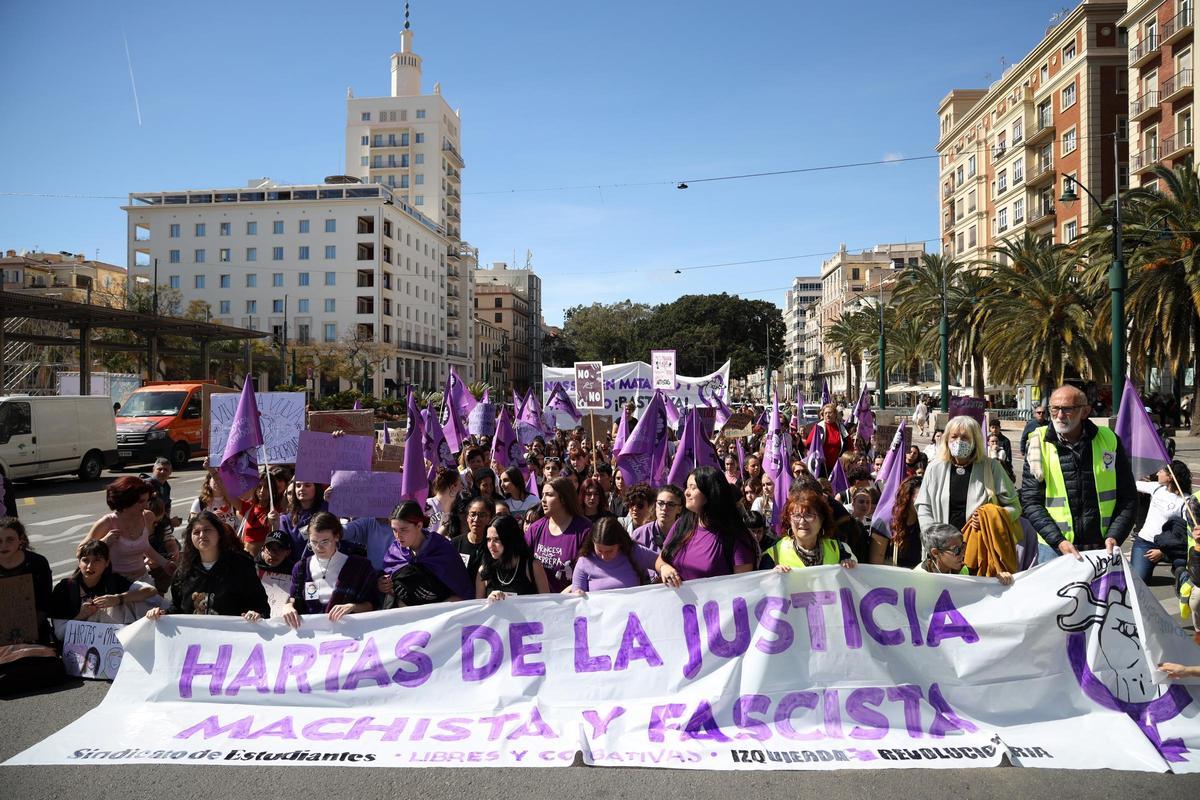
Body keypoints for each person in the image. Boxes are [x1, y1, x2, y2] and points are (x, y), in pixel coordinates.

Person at [1019, 385, 1137, 560]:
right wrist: (1058, 541)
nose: (1059, 415)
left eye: (1067, 409)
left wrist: (1115, 536)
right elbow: (1030, 501)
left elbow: (1128, 496)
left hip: (1102, 548)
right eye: (1054, 409)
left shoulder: (1109, 440)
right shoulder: (1038, 442)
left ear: (1085, 411)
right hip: (1054, 549)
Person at [146, 512, 270, 620]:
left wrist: (256, 614)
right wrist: (161, 614)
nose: (201, 535)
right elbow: (177, 609)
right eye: (196, 532)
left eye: (207, 530)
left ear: (219, 534)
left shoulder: (241, 566)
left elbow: (260, 604)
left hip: (231, 643)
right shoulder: (183, 571)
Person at [916, 415, 1020, 533]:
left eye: (965, 437)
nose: (959, 442)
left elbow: (1015, 507)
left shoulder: (992, 467)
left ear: (975, 441)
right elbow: (924, 507)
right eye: (954, 437)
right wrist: (932, 536)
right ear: (946, 440)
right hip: (942, 546)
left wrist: (991, 518)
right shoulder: (934, 467)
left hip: (979, 545)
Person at [656, 466, 757, 586]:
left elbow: (744, 588)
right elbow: (660, 560)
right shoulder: (682, 524)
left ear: (710, 493)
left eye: (693, 488)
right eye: (687, 487)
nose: (686, 492)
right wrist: (664, 567)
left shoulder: (735, 538)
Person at [281, 512, 378, 628]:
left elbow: (372, 605)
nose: (318, 548)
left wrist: (353, 607)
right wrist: (287, 607)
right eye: (314, 542)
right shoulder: (300, 568)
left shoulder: (359, 566)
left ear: (337, 537)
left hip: (350, 636)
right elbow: (294, 600)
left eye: (325, 542)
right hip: (312, 637)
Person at [49, 539, 157, 639]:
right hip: (80, 647)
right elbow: (60, 634)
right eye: (85, 560)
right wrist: (81, 615)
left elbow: (151, 591)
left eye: (97, 561)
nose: (90, 566)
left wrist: (117, 599)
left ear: (106, 563)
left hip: (112, 643)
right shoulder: (65, 588)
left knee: (134, 602)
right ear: (79, 562)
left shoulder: (113, 581)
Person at [83, 476, 173, 583]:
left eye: (147, 500)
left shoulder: (148, 517)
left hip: (143, 580)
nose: (145, 505)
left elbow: (144, 546)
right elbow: (81, 551)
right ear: (126, 501)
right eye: (141, 501)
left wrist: (165, 563)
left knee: (160, 600)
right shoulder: (107, 522)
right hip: (115, 584)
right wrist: (103, 543)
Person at [383, 500, 474, 604]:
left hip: (440, 614)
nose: (398, 536)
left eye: (404, 530)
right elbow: (391, 588)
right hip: (406, 615)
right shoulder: (395, 551)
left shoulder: (442, 549)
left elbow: (462, 592)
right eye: (394, 530)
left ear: (419, 526)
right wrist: (383, 585)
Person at [1131, 461, 1195, 583]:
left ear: (1170, 477)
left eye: (1161, 471)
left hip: (1170, 546)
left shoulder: (1185, 501)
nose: (1158, 473)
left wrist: (1163, 552)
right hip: (1145, 542)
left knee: (1183, 562)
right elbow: (1132, 483)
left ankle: (1178, 569)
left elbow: (1186, 535)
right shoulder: (1157, 488)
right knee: (1139, 580)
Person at [760, 489, 856, 570]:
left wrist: (850, 567)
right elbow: (763, 589)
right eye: (797, 516)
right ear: (789, 521)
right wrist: (772, 577)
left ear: (822, 520)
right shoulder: (773, 555)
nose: (802, 521)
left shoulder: (839, 550)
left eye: (809, 515)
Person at [525, 477, 592, 593]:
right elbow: (522, 563)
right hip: (538, 603)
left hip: (571, 602)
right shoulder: (535, 529)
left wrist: (565, 595)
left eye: (549, 495)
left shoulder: (585, 530)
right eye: (542, 495)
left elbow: (590, 571)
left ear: (564, 499)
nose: (543, 500)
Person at [570, 517, 659, 593]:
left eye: (609, 551)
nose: (603, 556)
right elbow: (577, 594)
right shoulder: (584, 562)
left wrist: (664, 568)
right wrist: (578, 593)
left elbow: (660, 562)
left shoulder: (633, 552)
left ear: (620, 544)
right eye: (599, 550)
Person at [0, 517, 54, 642]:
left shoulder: (37, 563)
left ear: (21, 540)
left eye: (10, 540)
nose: (3, 545)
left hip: (34, 630)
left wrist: (27, 631)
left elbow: (44, 603)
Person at [477, 515, 549, 600]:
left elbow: (547, 603)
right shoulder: (484, 570)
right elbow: (479, 607)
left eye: (497, 539)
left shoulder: (532, 566)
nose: (491, 545)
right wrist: (488, 601)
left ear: (510, 539)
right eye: (488, 539)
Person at [916, 522, 1013, 584]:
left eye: (963, 547)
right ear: (936, 553)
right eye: (956, 550)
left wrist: (998, 580)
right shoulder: (919, 579)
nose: (962, 554)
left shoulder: (963, 570)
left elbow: (981, 588)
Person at [869, 477, 923, 568]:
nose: (924, 501)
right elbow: (876, 563)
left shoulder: (926, 521)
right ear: (907, 497)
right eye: (920, 497)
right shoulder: (885, 521)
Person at [238, 467, 290, 558]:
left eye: (266, 487)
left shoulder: (279, 509)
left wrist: (275, 522)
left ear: (273, 489)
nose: (262, 491)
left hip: (267, 561)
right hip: (246, 560)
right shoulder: (248, 507)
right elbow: (227, 493)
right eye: (259, 486)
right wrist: (214, 473)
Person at [280, 480, 328, 553]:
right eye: (298, 486)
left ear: (316, 488)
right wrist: (274, 525)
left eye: (307, 485)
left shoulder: (326, 509)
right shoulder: (286, 519)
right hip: (297, 562)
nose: (301, 489)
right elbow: (283, 547)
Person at [452, 496, 493, 580]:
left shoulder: (493, 544)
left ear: (490, 518)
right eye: (473, 514)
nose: (476, 519)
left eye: (482, 515)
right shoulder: (455, 543)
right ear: (467, 517)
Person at [633, 485, 684, 552]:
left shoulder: (687, 535)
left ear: (679, 509)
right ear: (655, 505)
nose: (664, 508)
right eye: (661, 503)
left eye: (671, 504)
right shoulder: (639, 534)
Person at [803, 404, 845, 473]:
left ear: (835, 414)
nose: (827, 415)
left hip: (837, 466)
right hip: (821, 465)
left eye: (830, 413)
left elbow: (849, 444)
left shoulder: (841, 427)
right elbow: (809, 443)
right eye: (825, 413)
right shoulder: (818, 427)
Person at [146, 457, 181, 528]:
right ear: (153, 470)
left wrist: (168, 521)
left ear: (170, 472)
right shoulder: (147, 485)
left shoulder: (166, 487)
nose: (162, 472)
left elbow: (166, 506)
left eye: (166, 470)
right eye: (159, 469)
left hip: (159, 525)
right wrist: (169, 522)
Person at [427, 468, 464, 533]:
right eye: (460, 484)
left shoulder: (457, 508)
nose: (462, 487)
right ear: (453, 487)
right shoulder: (427, 505)